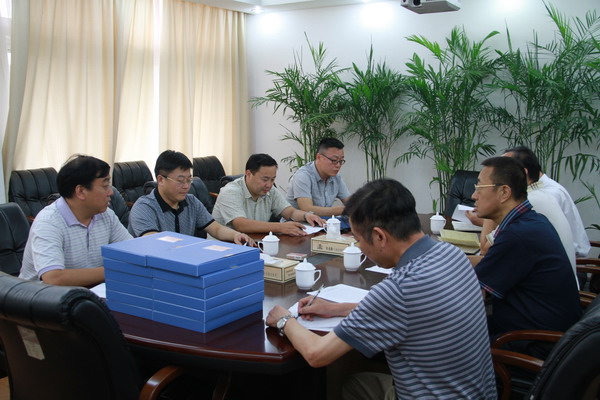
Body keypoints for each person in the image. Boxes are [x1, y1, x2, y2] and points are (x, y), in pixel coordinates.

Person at [266, 179, 497, 400]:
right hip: (477, 391)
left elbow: (317, 354)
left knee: (341, 380)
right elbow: (416, 309)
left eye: (358, 239)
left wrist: (285, 320)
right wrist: (336, 308)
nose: (360, 247)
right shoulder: (452, 254)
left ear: (379, 236)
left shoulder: (398, 290)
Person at [471, 157, 581, 357]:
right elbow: (490, 262)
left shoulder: (517, 235)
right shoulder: (532, 221)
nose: (474, 195)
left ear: (504, 192)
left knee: (442, 338)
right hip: (543, 333)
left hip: (532, 343)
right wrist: (451, 257)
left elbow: (473, 293)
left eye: (479, 187)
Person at [19, 155, 132, 286]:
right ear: (81, 191)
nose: (111, 192)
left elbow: (133, 251)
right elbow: (54, 278)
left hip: (90, 291)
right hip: (43, 296)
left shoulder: (106, 215)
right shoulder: (48, 222)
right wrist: (113, 270)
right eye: (105, 185)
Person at [475, 148, 577, 283]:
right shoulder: (534, 203)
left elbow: (485, 251)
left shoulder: (531, 204)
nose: (474, 195)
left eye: (479, 187)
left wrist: (492, 212)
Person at [467, 146, 590, 257]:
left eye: (502, 171)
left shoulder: (531, 201)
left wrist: (492, 209)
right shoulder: (541, 191)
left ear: (522, 173)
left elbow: (485, 250)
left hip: (576, 262)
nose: (474, 195)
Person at [128, 150, 253, 246]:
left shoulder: (191, 201)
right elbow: (156, 242)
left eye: (189, 180)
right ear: (160, 180)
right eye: (180, 181)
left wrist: (236, 235)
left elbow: (216, 229)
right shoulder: (144, 207)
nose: (186, 186)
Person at [212, 153, 324, 236]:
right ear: (248, 174)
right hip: (224, 248)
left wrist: (306, 215)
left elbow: (290, 212)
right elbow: (241, 224)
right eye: (265, 179)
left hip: (255, 243)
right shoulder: (230, 191)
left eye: (272, 179)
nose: (269, 185)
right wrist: (281, 227)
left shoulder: (270, 190)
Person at [286, 137, 351, 216]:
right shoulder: (303, 176)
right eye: (334, 160)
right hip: (298, 222)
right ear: (319, 157)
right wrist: (339, 210)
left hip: (323, 222)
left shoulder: (336, 177)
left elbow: (350, 202)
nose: (338, 165)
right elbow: (306, 209)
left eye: (341, 161)